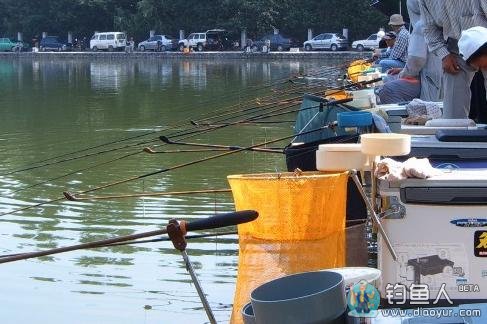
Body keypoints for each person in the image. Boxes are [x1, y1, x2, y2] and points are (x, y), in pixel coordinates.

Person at [419, 0, 487, 118]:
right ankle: (454, 131)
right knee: (453, 100)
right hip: (455, 46)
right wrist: (444, 55)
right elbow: (429, 28)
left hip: (484, 39)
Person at [376, 0, 443, 104]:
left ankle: (405, 116)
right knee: (390, 77)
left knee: (387, 89)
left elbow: (416, 60)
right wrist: (402, 69)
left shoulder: (421, 25)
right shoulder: (441, 22)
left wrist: (403, 73)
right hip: (437, 78)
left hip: (429, 80)